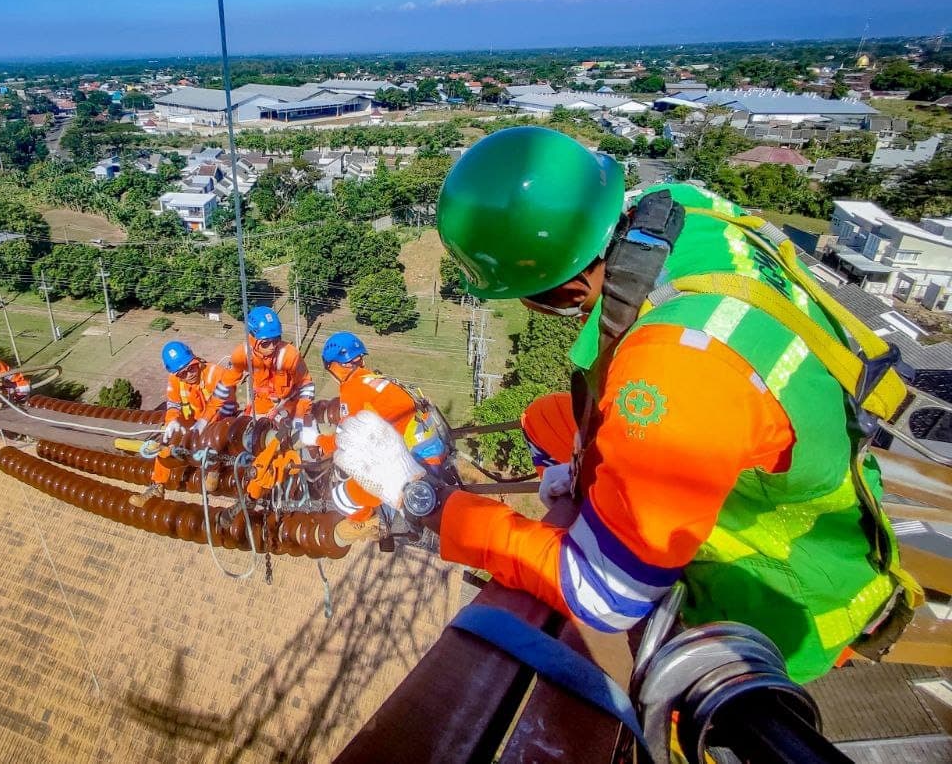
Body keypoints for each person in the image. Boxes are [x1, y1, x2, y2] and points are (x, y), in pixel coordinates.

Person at [334, 125, 920, 684]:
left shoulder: (674, 369)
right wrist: (577, 471)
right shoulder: (677, 209)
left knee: (602, 583)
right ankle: (606, 501)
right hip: (754, 435)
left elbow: (604, 597)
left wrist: (427, 500)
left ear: (565, 292)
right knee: (547, 420)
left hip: (784, 603)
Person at [318, 331, 450, 545]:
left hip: (412, 467)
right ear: (360, 359)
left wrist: (320, 443)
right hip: (431, 449)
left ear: (336, 366)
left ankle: (370, 523)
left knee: (342, 497)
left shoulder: (352, 389)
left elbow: (346, 436)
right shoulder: (378, 380)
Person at [221, 306, 316, 511]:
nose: (272, 346)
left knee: (304, 446)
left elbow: (307, 386)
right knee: (251, 446)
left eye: (275, 340)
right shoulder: (242, 354)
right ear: (253, 339)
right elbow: (226, 383)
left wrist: (300, 416)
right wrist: (214, 414)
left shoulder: (289, 355)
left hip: (289, 405)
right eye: (266, 343)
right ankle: (255, 490)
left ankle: (309, 486)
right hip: (261, 406)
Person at [130, 340, 238, 507]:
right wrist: (172, 421)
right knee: (166, 444)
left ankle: (214, 468)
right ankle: (157, 485)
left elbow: (228, 405)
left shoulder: (216, 374)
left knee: (215, 439)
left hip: (221, 421)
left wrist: (207, 425)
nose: (189, 374)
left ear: (196, 360)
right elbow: (173, 404)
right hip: (192, 423)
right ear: (176, 374)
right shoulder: (175, 380)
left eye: (192, 368)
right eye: (183, 373)